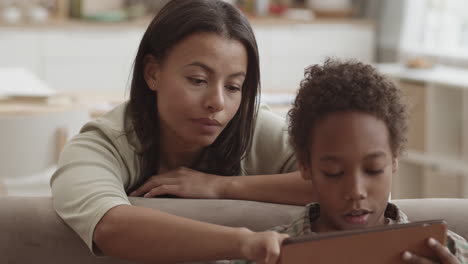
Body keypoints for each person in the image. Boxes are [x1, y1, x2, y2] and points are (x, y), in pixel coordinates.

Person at [50, 0, 312, 263]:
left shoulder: (253, 128)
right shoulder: (101, 145)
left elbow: (342, 181)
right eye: (198, 80)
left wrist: (221, 187)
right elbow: (110, 226)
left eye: (233, 86)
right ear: (153, 73)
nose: (217, 102)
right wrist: (245, 242)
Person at [232, 59, 468, 264]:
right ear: (306, 166)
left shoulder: (449, 250)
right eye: (334, 172)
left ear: (394, 160)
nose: (356, 192)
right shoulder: (265, 253)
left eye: (373, 170)